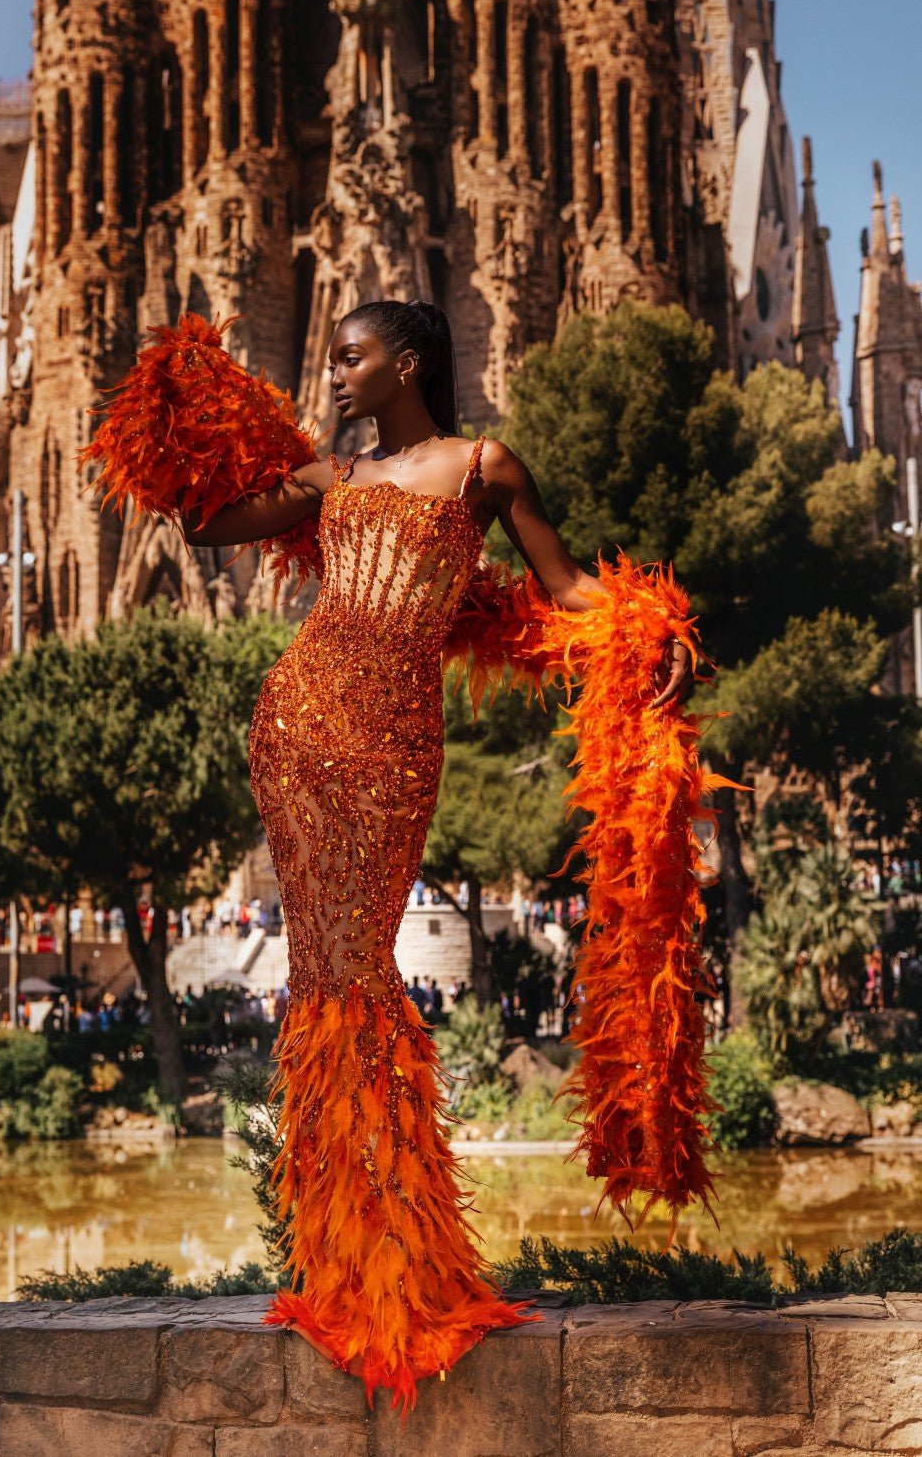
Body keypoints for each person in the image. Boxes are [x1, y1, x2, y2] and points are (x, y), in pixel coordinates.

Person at [175, 297, 693, 1407]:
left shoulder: (483, 467)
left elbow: (564, 592)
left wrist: (647, 632)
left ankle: (395, 1259)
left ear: (406, 363)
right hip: (297, 722)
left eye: (351, 359)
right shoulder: (331, 477)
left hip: (398, 741)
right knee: (328, 976)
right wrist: (187, 413)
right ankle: (353, 1263)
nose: (336, 378)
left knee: (360, 973)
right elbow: (205, 525)